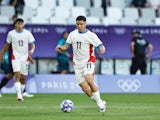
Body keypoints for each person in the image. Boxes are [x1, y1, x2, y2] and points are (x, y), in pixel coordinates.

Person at [55, 15, 106, 112]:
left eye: (81, 24)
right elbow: (67, 46)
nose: (79, 26)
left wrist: (102, 48)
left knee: (89, 78)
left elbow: (100, 45)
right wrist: (60, 47)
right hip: (77, 64)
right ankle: (99, 100)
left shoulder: (91, 35)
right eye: (77, 24)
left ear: (85, 24)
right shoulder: (72, 34)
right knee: (84, 88)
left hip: (88, 60)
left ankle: (99, 102)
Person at [0, 18, 35, 101]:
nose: (19, 25)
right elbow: (6, 46)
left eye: (21, 23)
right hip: (15, 58)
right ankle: (19, 95)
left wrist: (31, 52)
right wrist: (1, 55)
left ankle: (22, 92)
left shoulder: (27, 33)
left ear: (23, 24)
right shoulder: (11, 34)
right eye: (18, 23)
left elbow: (31, 45)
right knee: (16, 75)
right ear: (15, 25)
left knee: (22, 77)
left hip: (24, 58)